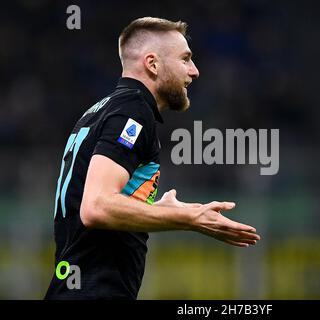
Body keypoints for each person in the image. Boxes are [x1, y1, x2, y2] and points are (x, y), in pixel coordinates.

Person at [45, 17, 260, 300]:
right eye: (185, 59)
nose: (194, 71)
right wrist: (190, 217)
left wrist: (154, 207)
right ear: (152, 64)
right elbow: (95, 207)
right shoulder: (132, 112)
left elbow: (89, 202)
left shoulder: (102, 109)